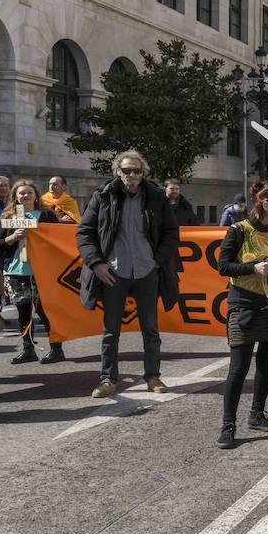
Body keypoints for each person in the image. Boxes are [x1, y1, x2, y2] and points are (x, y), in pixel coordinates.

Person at [76, 150, 180, 398]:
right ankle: (108, 379)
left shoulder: (157, 197)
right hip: (113, 272)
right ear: (117, 172)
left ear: (143, 173)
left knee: (150, 329)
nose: (131, 175)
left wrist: (156, 261)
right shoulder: (102, 196)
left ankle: (153, 376)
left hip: (147, 271)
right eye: (126, 170)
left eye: (136, 170)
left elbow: (171, 233)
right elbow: (84, 232)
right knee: (111, 330)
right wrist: (96, 264)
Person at [215, 183, 268, 450]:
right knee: (238, 368)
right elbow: (223, 266)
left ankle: (257, 414)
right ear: (266, 205)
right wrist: (253, 268)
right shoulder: (238, 231)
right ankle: (228, 424)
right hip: (244, 306)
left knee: (266, 365)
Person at [0, 179, 65, 364]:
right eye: (21, 193)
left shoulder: (46, 215)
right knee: (23, 311)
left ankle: (56, 349)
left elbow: (59, 241)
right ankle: (28, 350)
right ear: (15, 196)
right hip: (16, 271)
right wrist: (12, 237)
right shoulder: (9, 216)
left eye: (29, 192)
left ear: (36, 195)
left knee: (45, 310)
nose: (25, 196)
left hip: (42, 272)